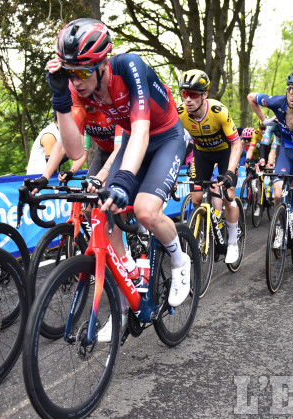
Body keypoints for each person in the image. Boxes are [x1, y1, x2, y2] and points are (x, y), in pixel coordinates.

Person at [46, 18, 191, 342]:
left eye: (83, 71)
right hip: (131, 140)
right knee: (104, 207)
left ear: (103, 64)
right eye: (70, 73)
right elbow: (73, 148)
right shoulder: (77, 89)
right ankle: (126, 296)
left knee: (144, 211)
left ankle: (181, 261)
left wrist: (124, 179)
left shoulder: (129, 68)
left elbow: (140, 128)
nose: (77, 80)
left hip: (164, 137)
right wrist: (61, 100)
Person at [247, 70, 293, 246]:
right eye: (291, 89)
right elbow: (251, 97)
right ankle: (280, 227)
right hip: (286, 151)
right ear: (287, 90)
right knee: (278, 193)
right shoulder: (277, 102)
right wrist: (263, 119)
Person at [177, 69, 242, 264]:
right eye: (184, 94)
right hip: (201, 154)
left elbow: (236, 143)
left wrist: (230, 172)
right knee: (196, 198)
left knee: (228, 196)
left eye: (194, 94)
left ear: (205, 95)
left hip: (224, 153)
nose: (188, 99)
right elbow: (173, 141)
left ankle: (232, 242)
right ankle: (204, 228)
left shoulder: (218, 111)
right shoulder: (180, 113)